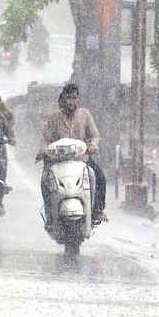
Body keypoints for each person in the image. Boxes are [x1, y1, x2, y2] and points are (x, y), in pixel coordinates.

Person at [39, 82, 107, 225]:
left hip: (81, 160)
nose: (72, 102)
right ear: (63, 100)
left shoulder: (85, 115)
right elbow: (46, 139)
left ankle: (97, 210)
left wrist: (93, 145)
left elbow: (95, 135)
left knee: (98, 176)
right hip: (58, 161)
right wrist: (43, 150)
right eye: (69, 98)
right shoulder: (55, 118)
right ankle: (50, 215)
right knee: (45, 180)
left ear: (79, 99)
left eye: (75, 98)